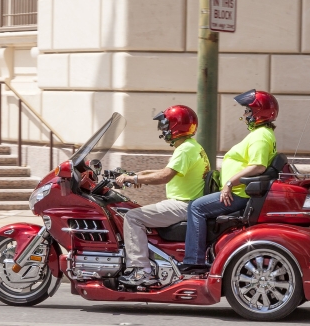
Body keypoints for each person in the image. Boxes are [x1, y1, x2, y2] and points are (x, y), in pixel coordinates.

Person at [178, 90, 278, 275]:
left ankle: (194, 261)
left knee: (195, 207)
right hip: (241, 192)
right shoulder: (263, 134)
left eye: (248, 111)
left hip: (239, 194)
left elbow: (258, 166)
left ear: (258, 112)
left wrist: (229, 183)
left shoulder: (261, 135)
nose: (245, 115)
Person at [115, 105, 211, 286]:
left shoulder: (184, 150)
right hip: (188, 203)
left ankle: (141, 271)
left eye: (165, 126)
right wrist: (138, 175)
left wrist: (134, 178)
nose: (163, 130)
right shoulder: (192, 147)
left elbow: (165, 176)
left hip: (182, 205)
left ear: (176, 126)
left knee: (132, 217)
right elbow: (167, 170)